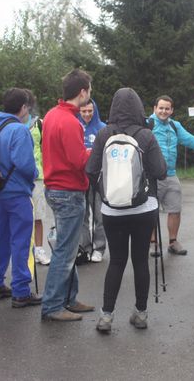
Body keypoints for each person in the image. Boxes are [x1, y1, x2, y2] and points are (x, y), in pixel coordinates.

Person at [86, 88, 167, 332]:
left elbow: (90, 170)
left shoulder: (103, 134)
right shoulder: (146, 135)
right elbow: (161, 171)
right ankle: (140, 314)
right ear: (139, 108)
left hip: (112, 211)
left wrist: (106, 192)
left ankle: (106, 317)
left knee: (117, 261)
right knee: (140, 260)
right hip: (144, 208)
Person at [40, 69, 95, 322]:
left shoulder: (52, 114)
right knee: (65, 251)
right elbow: (77, 160)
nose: (90, 95)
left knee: (68, 247)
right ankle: (53, 306)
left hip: (55, 187)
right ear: (82, 92)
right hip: (68, 190)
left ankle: (69, 298)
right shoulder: (70, 121)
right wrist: (96, 150)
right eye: (89, 90)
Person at [0, 88, 40, 308]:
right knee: (21, 241)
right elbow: (25, 165)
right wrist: (35, 174)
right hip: (17, 192)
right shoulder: (19, 130)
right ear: (24, 107)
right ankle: (21, 290)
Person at [149, 95, 194, 255]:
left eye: (167, 108)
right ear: (154, 108)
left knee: (175, 209)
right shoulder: (148, 124)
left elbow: (191, 140)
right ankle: (153, 243)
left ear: (172, 110)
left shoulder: (175, 126)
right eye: (161, 108)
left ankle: (173, 242)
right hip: (152, 176)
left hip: (171, 175)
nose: (163, 111)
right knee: (151, 211)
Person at [78, 99, 107, 263]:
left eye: (90, 111)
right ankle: (85, 247)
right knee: (82, 216)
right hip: (80, 178)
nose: (87, 114)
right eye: (84, 111)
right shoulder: (75, 126)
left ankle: (99, 247)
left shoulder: (102, 128)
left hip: (98, 178)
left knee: (99, 216)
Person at [27, 100, 51, 266]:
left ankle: (39, 250)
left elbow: (46, 149)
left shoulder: (39, 123)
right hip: (19, 177)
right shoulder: (13, 123)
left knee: (38, 216)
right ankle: (25, 251)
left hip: (38, 176)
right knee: (22, 217)